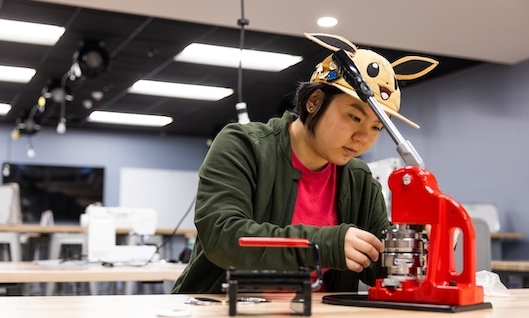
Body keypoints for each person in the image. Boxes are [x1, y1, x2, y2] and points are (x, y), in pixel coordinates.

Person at [172, 33, 437, 294]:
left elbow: (377, 266)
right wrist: (323, 246)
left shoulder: (359, 180)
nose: (363, 138)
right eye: (354, 118)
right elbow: (223, 237)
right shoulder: (243, 146)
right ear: (314, 101)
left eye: (377, 127)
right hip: (226, 316)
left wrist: (420, 244)